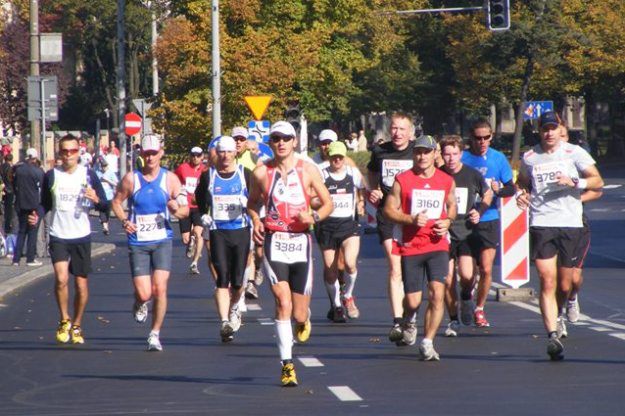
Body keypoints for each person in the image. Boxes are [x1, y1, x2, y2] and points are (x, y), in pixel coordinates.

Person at [247, 121, 333, 387]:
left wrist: (314, 215)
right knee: (282, 302)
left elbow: (328, 202)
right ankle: (287, 365)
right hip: (275, 241)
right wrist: (256, 220)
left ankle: (303, 321)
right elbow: (252, 203)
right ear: (270, 142)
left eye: (286, 138)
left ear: (294, 141)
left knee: (298, 314)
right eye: (276, 138)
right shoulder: (261, 172)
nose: (281, 142)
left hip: (300, 242)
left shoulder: (308, 170)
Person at [516, 111, 603, 360]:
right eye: (545, 129)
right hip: (542, 222)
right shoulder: (531, 157)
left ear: (560, 128)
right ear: (539, 131)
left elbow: (598, 181)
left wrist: (574, 181)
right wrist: (521, 193)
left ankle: (561, 310)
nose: (550, 133)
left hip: (570, 223)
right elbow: (523, 182)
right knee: (547, 280)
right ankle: (552, 334)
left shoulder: (574, 153)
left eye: (554, 128)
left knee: (565, 283)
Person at [111, 134, 189, 351]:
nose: (151, 157)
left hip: (162, 239)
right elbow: (116, 202)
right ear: (141, 155)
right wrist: (125, 221)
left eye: (154, 153)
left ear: (161, 153)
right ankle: (139, 303)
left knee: (160, 288)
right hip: (138, 242)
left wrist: (177, 210)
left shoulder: (170, 179)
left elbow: (184, 210)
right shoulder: (131, 179)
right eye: (147, 153)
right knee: (145, 293)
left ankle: (155, 333)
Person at [383, 135, 456, 360]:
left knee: (437, 292)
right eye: (418, 152)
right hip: (411, 245)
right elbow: (389, 210)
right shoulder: (403, 179)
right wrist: (410, 219)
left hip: (437, 244)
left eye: (426, 152)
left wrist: (448, 221)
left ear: (435, 154)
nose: (422, 156)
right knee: (413, 301)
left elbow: (452, 205)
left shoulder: (445, 180)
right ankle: (409, 320)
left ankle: (428, 342)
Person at [32, 135, 108, 344]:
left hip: (81, 235)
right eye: (64, 151)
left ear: (79, 152)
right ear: (59, 153)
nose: (68, 155)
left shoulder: (88, 174)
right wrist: (36, 214)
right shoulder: (51, 176)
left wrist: (96, 199)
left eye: (72, 151)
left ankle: (77, 324)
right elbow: (45, 203)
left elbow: (105, 205)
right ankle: (64, 319)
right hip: (59, 234)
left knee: (82, 286)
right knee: (61, 279)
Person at [195, 136, 253, 342]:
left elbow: (257, 202)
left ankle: (235, 306)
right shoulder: (208, 176)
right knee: (222, 277)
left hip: (241, 230)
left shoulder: (245, 174)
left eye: (229, 151)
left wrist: (249, 206)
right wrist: (203, 215)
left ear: (235, 152)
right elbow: (199, 199)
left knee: (238, 282)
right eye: (222, 152)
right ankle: (224, 322)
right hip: (218, 231)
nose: (226, 156)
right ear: (216, 154)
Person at [366, 112, 416, 344]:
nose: (397, 133)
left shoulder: (418, 151)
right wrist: (373, 190)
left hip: (412, 216)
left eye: (402, 129)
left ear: (411, 133)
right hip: (387, 213)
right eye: (394, 128)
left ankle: (410, 316)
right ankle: (397, 321)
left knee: (409, 269)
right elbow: (372, 174)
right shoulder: (380, 151)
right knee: (395, 267)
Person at [461, 119, 516, 327]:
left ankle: (479, 308)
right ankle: (466, 294)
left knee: (485, 268)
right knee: (467, 274)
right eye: (478, 138)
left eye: (486, 137)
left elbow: (511, 188)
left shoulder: (498, 158)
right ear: (471, 137)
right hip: (464, 221)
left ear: (491, 136)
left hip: (489, 219)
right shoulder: (463, 158)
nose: (482, 142)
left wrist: (499, 190)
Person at [439, 136, 493, 336]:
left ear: (461, 154)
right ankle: (453, 320)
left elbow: (487, 194)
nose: (451, 158)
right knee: (446, 279)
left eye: (454, 154)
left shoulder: (472, 175)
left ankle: (466, 296)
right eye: (447, 154)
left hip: (466, 232)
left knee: (468, 275)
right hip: (443, 232)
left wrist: (480, 210)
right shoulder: (438, 175)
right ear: (441, 155)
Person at [556, 125, 601, 326]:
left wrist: (576, 195)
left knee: (573, 279)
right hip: (549, 225)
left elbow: (597, 189)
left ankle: (572, 298)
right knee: (552, 277)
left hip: (576, 224)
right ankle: (556, 318)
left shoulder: (576, 158)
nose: (559, 138)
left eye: (563, 135)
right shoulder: (539, 157)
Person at [317, 141, 366, 322]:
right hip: (327, 227)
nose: (337, 160)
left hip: (348, 225)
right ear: (329, 157)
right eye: (333, 157)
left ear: (344, 157)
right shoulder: (321, 174)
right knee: (330, 271)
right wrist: (318, 204)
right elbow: (312, 196)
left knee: (350, 263)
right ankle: (337, 305)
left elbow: (364, 187)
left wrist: (361, 202)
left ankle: (348, 295)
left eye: (340, 157)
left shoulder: (352, 173)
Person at [232, 126, 264, 300]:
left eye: (241, 139)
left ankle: (250, 282)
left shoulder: (253, 159)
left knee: (252, 249)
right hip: (229, 212)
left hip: (250, 209)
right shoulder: (225, 156)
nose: (238, 142)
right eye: (235, 139)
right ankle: (237, 281)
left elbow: (263, 182)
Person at [174, 146, 206, 274]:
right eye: (193, 155)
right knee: (185, 239)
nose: (195, 157)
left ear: (202, 156)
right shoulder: (183, 168)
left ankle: (195, 263)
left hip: (199, 207)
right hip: (185, 206)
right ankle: (190, 240)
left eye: (198, 155)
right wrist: (177, 194)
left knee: (199, 234)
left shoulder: (205, 170)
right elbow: (174, 180)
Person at [12, 149, 45, 266]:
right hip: (33, 205)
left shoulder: (18, 170)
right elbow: (42, 187)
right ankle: (30, 258)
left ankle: (16, 259)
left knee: (21, 231)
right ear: (35, 158)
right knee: (32, 231)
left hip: (20, 204)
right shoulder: (38, 171)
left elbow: (13, 185)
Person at [96, 159, 118, 235]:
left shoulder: (111, 173)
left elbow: (116, 184)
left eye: (105, 166)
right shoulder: (98, 173)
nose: (104, 168)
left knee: (107, 212)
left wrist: (107, 181)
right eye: (102, 166)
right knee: (102, 211)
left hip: (109, 196)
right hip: (101, 196)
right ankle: (105, 227)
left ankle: (106, 225)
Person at [1, 153, 14, 234]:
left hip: (2, 189)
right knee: (9, 210)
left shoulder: (1, 166)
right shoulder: (9, 168)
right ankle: (7, 227)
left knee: (3, 208)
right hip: (9, 190)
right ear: (11, 160)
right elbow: (10, 179)